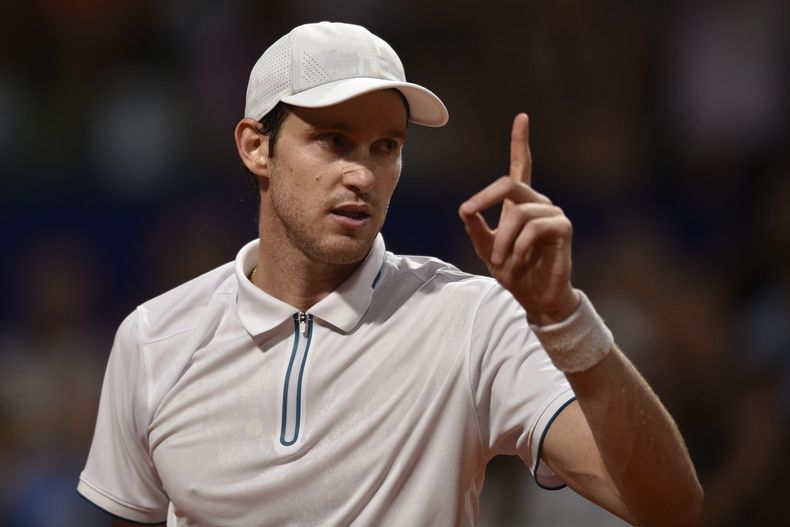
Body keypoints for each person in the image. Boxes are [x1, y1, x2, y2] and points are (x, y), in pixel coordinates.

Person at [77, 21, 702, 526]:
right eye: (333, 140)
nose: (363, 174)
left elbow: (667, 508)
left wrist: (564, 318)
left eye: (387, 147)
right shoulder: (154, 338)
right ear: (255, 146)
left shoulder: (473, 318)